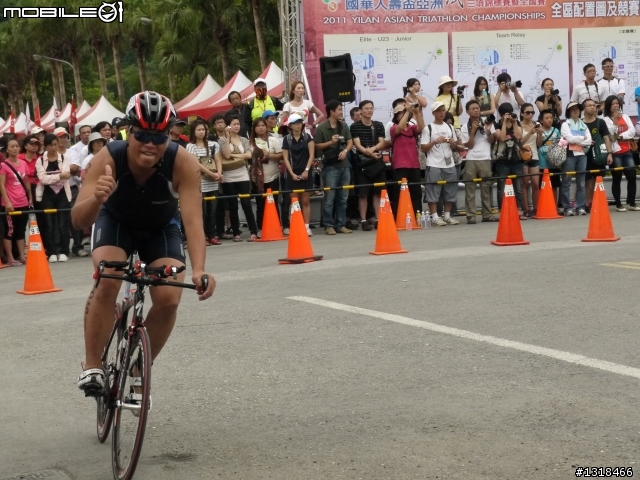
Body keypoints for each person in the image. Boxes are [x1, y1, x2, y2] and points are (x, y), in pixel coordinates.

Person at [72, 91, 215, 396]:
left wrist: (199, 270)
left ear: (169, 135)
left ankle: (138, 368)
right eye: (142, 134)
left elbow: (193, 221)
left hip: (160, 228)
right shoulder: (108, 157)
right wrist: (97, 197)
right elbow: (79, 220)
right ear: (128, 131)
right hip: (116, 221)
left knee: (169, 297)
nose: (150, 142)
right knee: (108, 278)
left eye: (159, 135)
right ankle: (92, 364)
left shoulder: (183, 162)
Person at [314, 100, 354, 235]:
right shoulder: (321, 127)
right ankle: (328, 225)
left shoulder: (343, 125)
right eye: (339, 110)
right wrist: (331, 142)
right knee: (329, 197)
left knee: (343, 198)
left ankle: (341, 224)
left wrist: (346, 151)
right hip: (330, 167)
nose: (341, 112)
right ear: (331, 112)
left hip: (345, 166)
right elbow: (317, 146)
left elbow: (350, 141)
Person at [218, 115, 259, 241]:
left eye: (238, 124)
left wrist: (235, 156)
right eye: (234, 124)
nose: (236, 126)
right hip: (228, 175)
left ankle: (253, 231)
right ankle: (236, 232)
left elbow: (248, 154)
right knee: (233, 205)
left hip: (242, 174)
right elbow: (226, 154)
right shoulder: (222, 140)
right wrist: (228, 137)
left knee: (246, 203)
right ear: (228, 126)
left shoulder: (244, 139)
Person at [420, 101, 461, 226]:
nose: (441, 113)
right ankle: (435, 217)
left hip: (449, 163)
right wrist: (435, 141)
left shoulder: (449, 127)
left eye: (443, 110)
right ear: (433, 113)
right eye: (438, 111)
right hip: (434, 164)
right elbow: (423, 148)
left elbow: (455, 146)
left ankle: (447, 216)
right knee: (432, 190)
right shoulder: (428, 128)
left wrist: (453, 143)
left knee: (450, 189)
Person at [350, 100, 387, 231]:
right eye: (366, 108)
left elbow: (382, 142)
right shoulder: (355, 127)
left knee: (378, 192)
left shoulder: (378, 125)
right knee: (363, 193)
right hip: (362, 163)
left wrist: (372, 150)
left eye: (371, 108)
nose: (369, 111)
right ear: (360, 111)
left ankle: (378, 218)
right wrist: (370, 153)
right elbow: (357, 144)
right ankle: (364, 219)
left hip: (377, 162)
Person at [460, 99, 498, 224]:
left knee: (486, 188)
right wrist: (473, 131)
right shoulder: (465, 127)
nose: (476, 110)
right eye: (473, 108)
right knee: (469, 188)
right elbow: (469, 146)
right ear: (467, 111)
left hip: (485, 158)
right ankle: (471, 215)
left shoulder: (488, 122)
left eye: (477, 108)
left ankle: (487, 214)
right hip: (471, 159)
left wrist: (487, 130)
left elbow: (492, 140)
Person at [36, 134, 72, 262]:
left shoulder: (64, 158)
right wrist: (59, 175)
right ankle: (51, 252)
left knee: (63, 225)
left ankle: (64, 251)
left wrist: (54, 176)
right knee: (49, 225)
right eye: (50, 145)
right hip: (47, 196)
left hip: (63, 194)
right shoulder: (40, 160)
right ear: (45, 146)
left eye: (55, 144)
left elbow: (67, 175)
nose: (53, 147)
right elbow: (43, 179)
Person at [187, 119, 223, 245]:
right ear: (194, 131)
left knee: (213, 211)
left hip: (213, 182)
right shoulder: (191, 146)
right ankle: (203, 236)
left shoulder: (213, 144)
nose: (202, 132)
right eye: (199, 130)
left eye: (203, 129)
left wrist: (218, 173)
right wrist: (212, 174)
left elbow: (218, 160)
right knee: (201, 211)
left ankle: (212, 235)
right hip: (200, 183)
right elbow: (195, 163)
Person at [602, 95, 638, 212]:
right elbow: (612, 137)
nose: (616, 105)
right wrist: (616, 121)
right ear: (608, 106)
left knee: (631, 176)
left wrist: (621, 136)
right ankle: (618, 204)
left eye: (617, 103)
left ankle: (631, 202)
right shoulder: (606, 120)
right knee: (616, 177)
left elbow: (632, 131)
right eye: (613, 104)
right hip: (615, 152)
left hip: (627, 150)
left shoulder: (626, 117)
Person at [0, 138, 33, 266]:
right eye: (12, 146)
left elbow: (26, 181)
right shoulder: (3, 165)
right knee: (9, 230)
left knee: (21, 229)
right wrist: (7, 201)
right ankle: (10, 257)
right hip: (10, 203)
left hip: (23, 201)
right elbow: (1, 185)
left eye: (16, 146)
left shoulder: (23, 163)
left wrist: (30, 197)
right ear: (7, 149)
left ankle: (21, 255)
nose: (15, 148)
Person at [55, 126, 85, 257]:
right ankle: (62, 248)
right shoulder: (49, 153)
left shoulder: (72, 152)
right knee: (60, 220)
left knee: (75, 217)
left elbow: (75, 168)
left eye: (65, 136)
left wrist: (60, 169)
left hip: (72, 189)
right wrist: (66, 170)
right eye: (60, 136)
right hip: (55, 190)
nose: (63, 139)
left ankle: (78, 246)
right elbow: (69, 169)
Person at [282, 113, 315, 236]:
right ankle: (296, 225)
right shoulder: (287, 139)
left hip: (306, 172)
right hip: (292, 173)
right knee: (294, 201)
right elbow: (285, 158)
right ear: (290, 125)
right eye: (296, 123)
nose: (298, 125)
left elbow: (312, 155)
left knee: (306, 201)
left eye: (300, 122)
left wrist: (306, 170)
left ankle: (306, 227)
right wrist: (291, 173)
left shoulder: (307, 137)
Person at [390, 102, 425, 216]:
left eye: (403, 112)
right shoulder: (393, 128)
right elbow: (400, 127)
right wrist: (408, 111)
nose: (402, 114)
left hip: (414, 164)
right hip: (400, 165)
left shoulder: (412, 128)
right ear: (396, 116)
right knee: (398, 193)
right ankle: (398, 216)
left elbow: (422, 127)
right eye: (400, 113)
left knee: (416, 192)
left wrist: (416, 112)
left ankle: (417, 215)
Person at [250, 117, 284, 234]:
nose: (261, 128)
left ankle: (276, 226)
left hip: (272, 176)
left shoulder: (273, 140)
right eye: (258, 126)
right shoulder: (251, 142)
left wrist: (269, 155)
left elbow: (281, 156)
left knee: (273, 201)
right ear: (254, 128)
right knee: (260, 203)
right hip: (257, 179)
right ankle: (261, 227)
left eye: (263, 125)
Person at [494, 103, 526, 219]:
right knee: (501, 187)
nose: (508, 115)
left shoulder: (516, 123)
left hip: (516, 159)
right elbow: (502, 137)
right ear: (501, 115)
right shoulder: (497, 125)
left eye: (509, 113)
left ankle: (519, 210)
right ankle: (502, 210)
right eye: (505, 114)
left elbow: (518, 136)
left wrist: (513, 122)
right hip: (502, 160)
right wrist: (503, 123)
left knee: (517, 186)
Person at [560, 102, 591, 216]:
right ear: (568, 112)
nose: (575, 111)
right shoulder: (565, 124)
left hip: (582, 155)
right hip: (569, 155)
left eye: (577, 109)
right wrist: (583, 138)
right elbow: (569, 139)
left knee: (581, 183)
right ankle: (567, 208)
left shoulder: (583, 124)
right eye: (572, 109)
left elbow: (589, 141)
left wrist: (579, 139)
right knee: (566, 182)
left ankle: (580, 207)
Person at [582, 98, 613, 211]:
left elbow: (606, 138)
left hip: (600, 154)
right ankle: (588, 203)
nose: (592, 107)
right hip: (585, 155)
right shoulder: (580, 123)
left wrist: (609, 154)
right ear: (584, 108)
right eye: (589, 105)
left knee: (599, 179)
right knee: (587, 180)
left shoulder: (601, 122)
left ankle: (598, 202)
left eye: (594, 105)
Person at [536, 109, 562, 208]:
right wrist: (539, 134)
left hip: (554, 162)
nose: (549, 120)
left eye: (551, 118)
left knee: (554, 185)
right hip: (543, 163)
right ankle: (543, 206)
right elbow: (538, 144)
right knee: (542, 185)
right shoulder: (539, 130)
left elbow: (560, 144)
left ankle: (554, 206)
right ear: (541, 120)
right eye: (546, 118)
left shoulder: (556, 131)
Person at [519, 103, 542, 217]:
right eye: (527, 112)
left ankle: (536, 208)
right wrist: (530, 133)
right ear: (522, 113)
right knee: (524, 183)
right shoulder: (519, 125)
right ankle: (526, 208)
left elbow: (539, 143)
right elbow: (520, 143)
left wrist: (540, 133)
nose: (530, 115)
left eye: (532, 112)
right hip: (522, 155)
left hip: (534, 155)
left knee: (535, 184)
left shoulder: (536, 124)